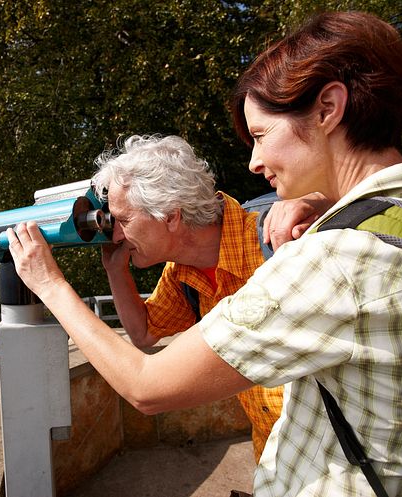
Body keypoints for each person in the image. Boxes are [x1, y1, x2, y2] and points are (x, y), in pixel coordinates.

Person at [6, 11, 402, 497]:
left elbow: (147, 385)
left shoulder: (314, 255)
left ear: (328, 109)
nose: (252, 162)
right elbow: (145, 332)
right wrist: (328, 202)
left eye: (259, 135)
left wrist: (48, 283)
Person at [92, 134, 287, 463]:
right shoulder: (182, 273)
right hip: (271, 458)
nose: (117, 235)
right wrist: (115, 270)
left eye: (124, 220)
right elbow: (143, 332)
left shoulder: (276, 239)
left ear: (170, 215)